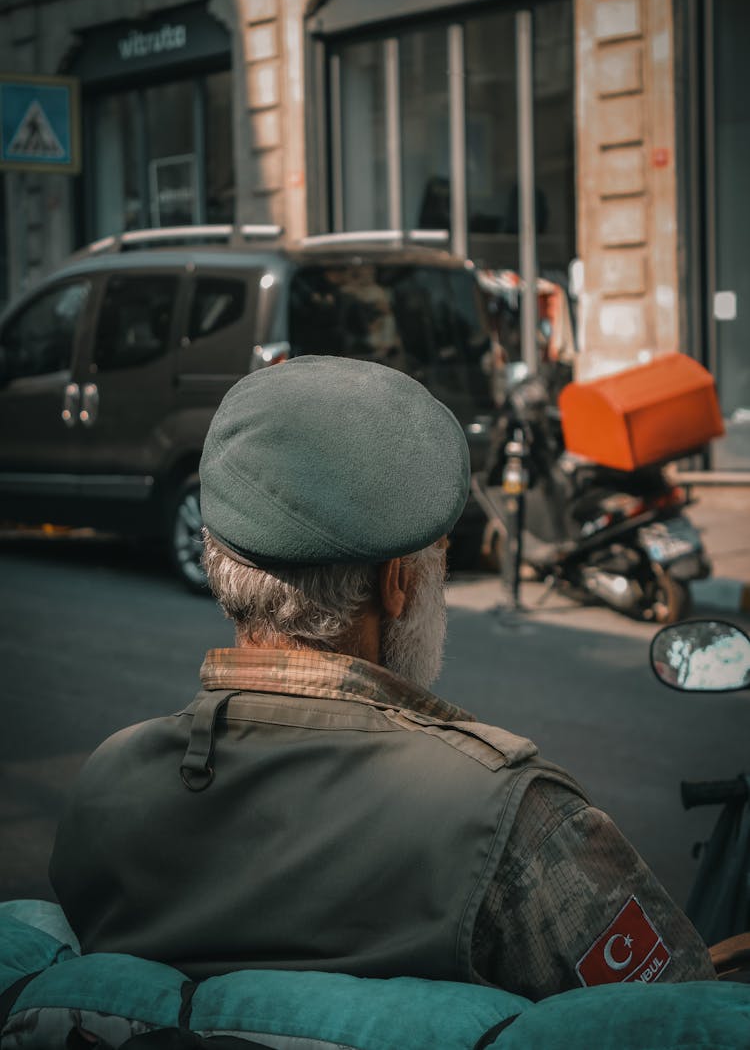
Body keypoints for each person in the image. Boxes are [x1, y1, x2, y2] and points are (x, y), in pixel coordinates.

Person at [49, 356, 715, 1000]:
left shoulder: (105, 792)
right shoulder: (512, 822)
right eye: (436, 560)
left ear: (222, 560)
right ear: (396, 583)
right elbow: (687, 1016)